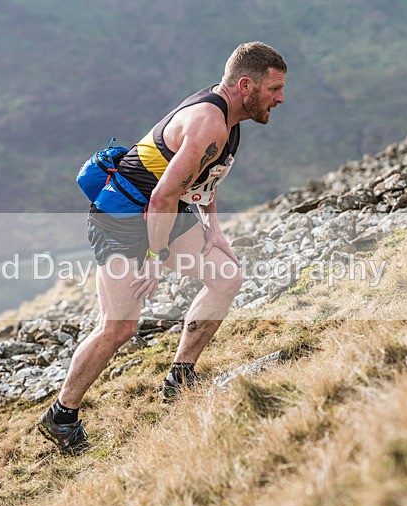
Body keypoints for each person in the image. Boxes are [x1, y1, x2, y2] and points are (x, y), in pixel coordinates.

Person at [38, 42, 287, 454]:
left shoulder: (232, 118)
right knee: (120, 326)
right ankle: (61, 416)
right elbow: (162, 198)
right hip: (122, 219)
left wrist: (215, 229)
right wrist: (153, 260)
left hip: (164, 212)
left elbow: (205, 179)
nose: (281, 98)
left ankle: (180, 376)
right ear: (246, 85)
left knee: (226, 276)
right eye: (274, 88)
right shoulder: (209, 122)